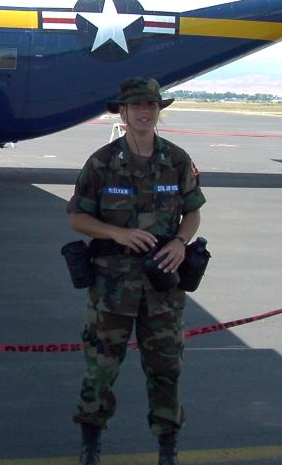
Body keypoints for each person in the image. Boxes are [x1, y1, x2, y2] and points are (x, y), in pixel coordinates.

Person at [67, 77, 205, 465]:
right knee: (100, 372)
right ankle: (90, 444)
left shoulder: (177, 160)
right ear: (123, 113)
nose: (145, 112)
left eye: (151, 105)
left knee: (166, 372)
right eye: (137, 106)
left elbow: (193, 211)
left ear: (158, 111)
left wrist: (180, 242)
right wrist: (117, 233)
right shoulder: (102, 162)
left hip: (163, 289)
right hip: (111, 289)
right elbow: (76, 217)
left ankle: (167, 447)